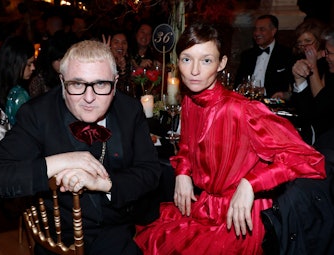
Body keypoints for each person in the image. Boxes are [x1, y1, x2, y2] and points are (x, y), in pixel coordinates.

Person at [134, 21, 326, 255]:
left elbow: (307, 157)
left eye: (206, 60)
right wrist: (183, 171)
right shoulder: (189, 100)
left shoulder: (242, 110)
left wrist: (251, 183)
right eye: (187, 59)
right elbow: (186, 146)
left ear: (221, 63)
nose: (194, 71)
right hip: (206, 205)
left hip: (240, 217)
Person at [0, 40, 161, 255]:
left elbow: (151, 171)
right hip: (61, 237)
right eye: (77, 84)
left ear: (115, 82)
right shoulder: (38, 115)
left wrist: (106, 184)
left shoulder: (130, 110)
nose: (89, 98)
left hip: (115, 227)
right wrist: (60, 162)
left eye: (101, 84)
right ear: (62, 82)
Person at [234, 14, 293, 99]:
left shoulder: (286, 54)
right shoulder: (247, 55)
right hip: (246, 100)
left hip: (272, 102)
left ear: (273, 31)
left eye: (262, 29)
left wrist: (264, 91)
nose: (257, 33)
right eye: (255, 29)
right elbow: (238, 83)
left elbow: (286, 86)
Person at [289, 19, 328, 144]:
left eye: (307, 41)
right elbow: (297, 98)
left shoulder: (328, 64)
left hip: (322, 125)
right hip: (302, 118)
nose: (303, 47)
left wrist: (313, 65)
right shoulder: (299, 61)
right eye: (300, 43)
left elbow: (320, 101)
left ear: (319, 41)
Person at [29, 31, 74, 98]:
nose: (62, 63)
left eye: (64, 58)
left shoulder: (70, 75)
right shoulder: (39, 80)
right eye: (58, 60)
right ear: (50, 60)